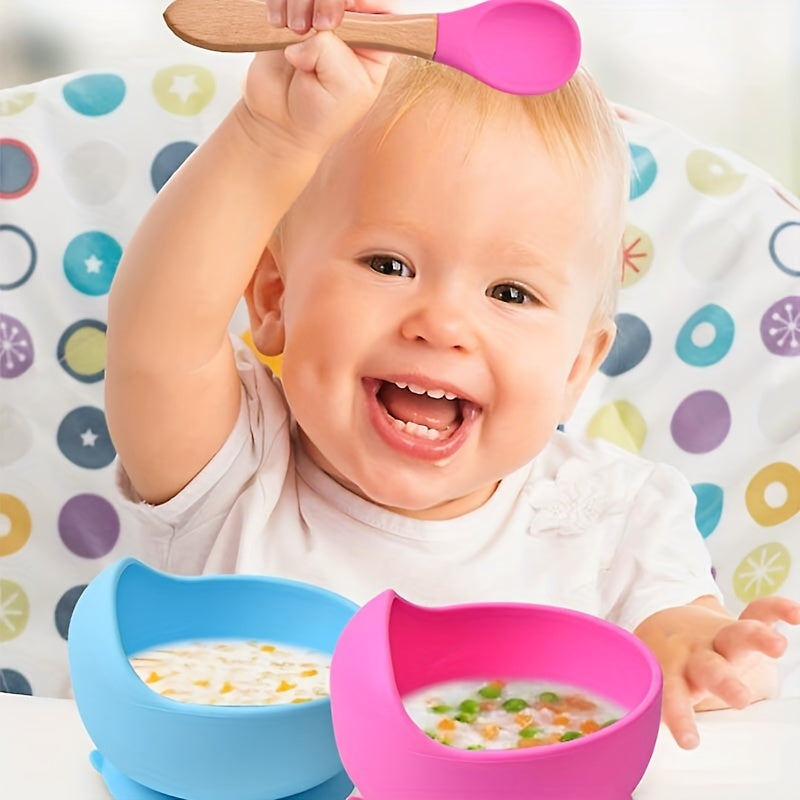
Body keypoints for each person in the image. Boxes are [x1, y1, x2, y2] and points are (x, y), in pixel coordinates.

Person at [105, 0, 799, 753]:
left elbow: (675, 631)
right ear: (273, 300)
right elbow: (156, 345)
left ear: (575, 369)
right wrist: (270, 136)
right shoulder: (236, 463)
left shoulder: (617, 519)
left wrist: (699, 656)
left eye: (511, 293)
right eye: (389, 264)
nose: (440, 324)